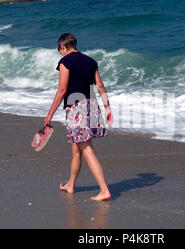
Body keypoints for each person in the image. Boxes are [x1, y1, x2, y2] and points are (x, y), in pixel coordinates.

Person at [43, 33, 113, 201]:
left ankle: (104, 190)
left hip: (77, 108)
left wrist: (49, 114)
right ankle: (70, 184)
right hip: (92, 105)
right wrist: (107, 107)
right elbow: (100, 86)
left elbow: (62, 90)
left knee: (86, 148)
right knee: (77, 148)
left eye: (59, 50)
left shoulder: (65, 62)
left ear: (63, 47)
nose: (60, 53)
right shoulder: (91, 61)